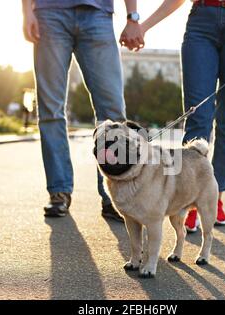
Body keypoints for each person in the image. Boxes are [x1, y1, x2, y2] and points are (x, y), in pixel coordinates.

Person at [122, 0, 225, 229]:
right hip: (202, 21)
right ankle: (189, 198)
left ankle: (215, 197)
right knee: (197, 118)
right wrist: (143, 27)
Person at [22, 0, 144, 221]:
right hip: (49, 13)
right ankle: (59, 191)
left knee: (113, 112)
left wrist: (132, 17)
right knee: (50, 109)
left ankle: (114, 196)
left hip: (97, 14)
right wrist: (26, 11)